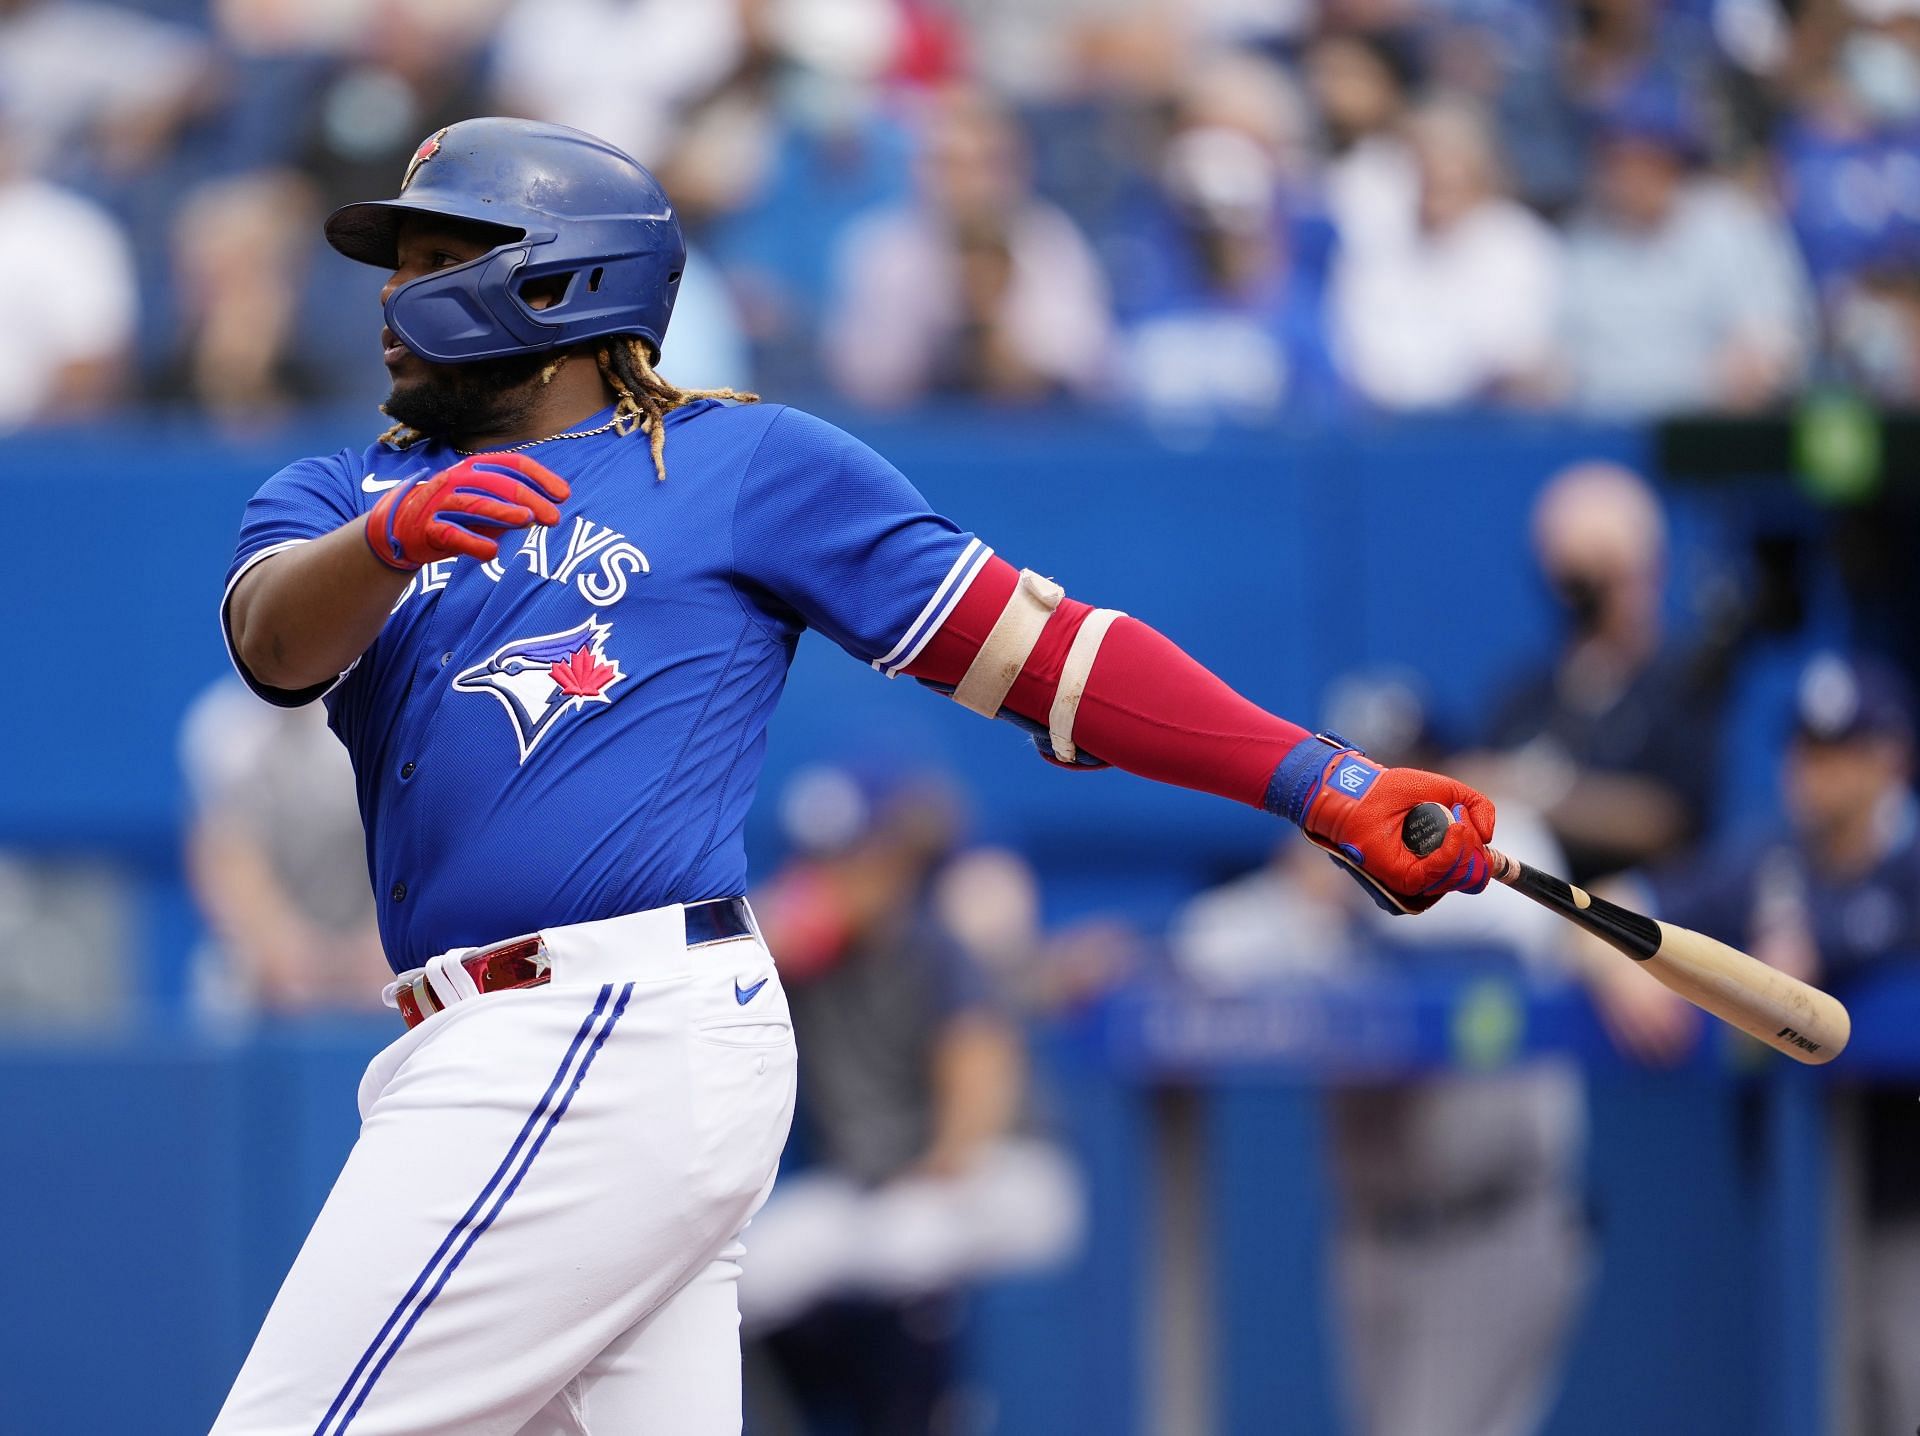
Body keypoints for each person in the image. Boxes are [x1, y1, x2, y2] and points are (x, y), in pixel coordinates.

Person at [213, 116, 1499, 1433]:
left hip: (597, 1026)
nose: (390, 292)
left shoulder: (733, 465)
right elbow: (274, 638)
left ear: (559, 280)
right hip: (494, 1046)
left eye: (436, 254)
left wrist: (1318, 780)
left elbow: (1048, 657)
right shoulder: (342, 491)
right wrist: (385, 541)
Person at [1173, 673, 1589, 1436]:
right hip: (1372, 1238)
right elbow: (1206, 943)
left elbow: (1505, 931)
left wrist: (1352, 900)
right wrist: (1309, 900)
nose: (1386, 795)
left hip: (1489, 1227)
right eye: (1367, 767)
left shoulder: (1507, 845)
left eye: (1407, 766)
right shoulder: (1321, 872)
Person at [1593, 652, 1920, 1430]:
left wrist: (1820, 952)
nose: (1817, 770)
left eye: (1842, 751)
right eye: (1806, 748)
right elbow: (1616, 902)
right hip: (1803, 1197)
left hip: (1911, 1198)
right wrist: (1620, 968)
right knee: (1827, 1399)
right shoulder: (1768, 861)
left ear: (1890, 758)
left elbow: (1841, 942)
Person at [736, 766, 1081, 1434]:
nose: (836, 878)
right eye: (823, 864)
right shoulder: (800, 960)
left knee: (906, 1243)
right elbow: (732, 954)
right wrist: (781, 936)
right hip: (880, 1188)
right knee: (754, 1272)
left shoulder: (931, 944)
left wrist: (939, 1167)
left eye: (853, 860)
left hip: (999, 1172)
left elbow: (980, 1076)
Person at [1470, 460, 1724, 885]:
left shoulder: (1682, 684)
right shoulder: (1524, 696)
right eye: (1577, 583)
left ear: (1652, 570)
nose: (1587, 603)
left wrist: (1532, 792)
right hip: (1526, 908)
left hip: (1640, 919)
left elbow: (1666, 819)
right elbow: (1475, 789)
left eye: (1609, 576)